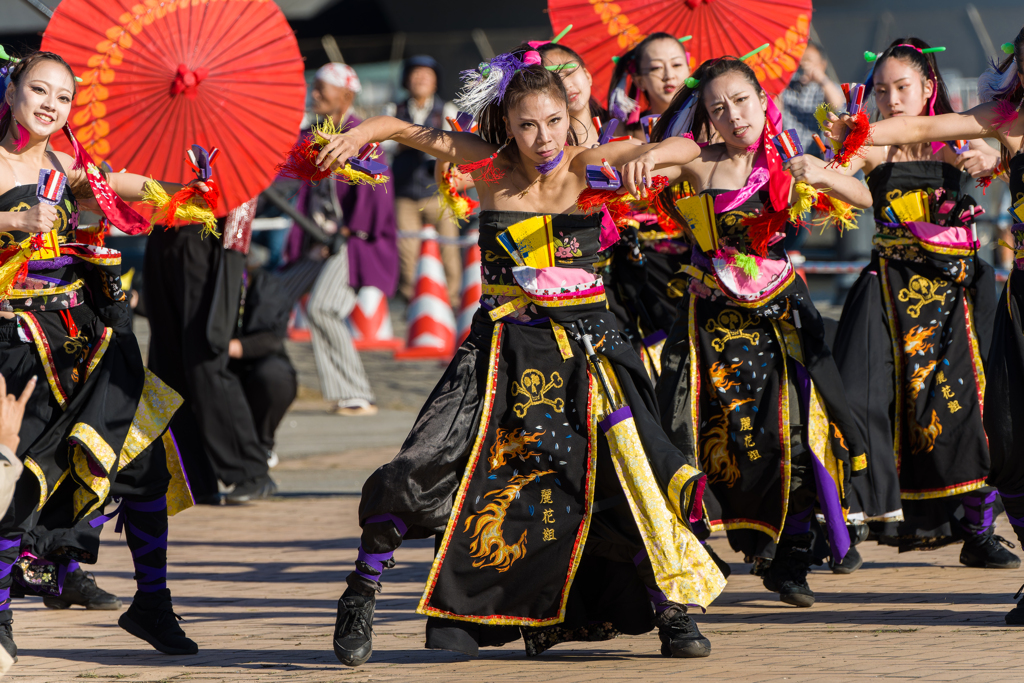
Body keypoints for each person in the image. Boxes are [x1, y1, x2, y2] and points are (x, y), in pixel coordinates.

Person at [314, 46, 725, 664]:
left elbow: (693, 148)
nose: (542, 138)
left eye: (554, 122)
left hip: (588, 351)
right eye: (528, 124)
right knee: (424, 462)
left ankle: (671, 611)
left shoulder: (592, 168)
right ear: (507, 123)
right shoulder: (489, 168)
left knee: (626, 475)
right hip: (500, 350)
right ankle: (361, 591)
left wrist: (650, 157)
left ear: (570, 116)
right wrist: (360, 134)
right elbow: (404, 130)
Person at [651, 55, 872, 608]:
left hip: (780, 321)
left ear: (763, 99)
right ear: (705, 117)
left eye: (741, 101)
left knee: (790, 437)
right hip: (711, 329)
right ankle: (704, 554)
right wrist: (643, 157)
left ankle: (791, 560)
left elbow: (866, 199)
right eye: (717, 108)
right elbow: (655, 153)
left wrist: (821, 173)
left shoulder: (791, 158)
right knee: (707, 440)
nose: (733, 115)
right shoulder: (698, 162)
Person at [0, 50, 200, 659]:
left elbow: (119, 184)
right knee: (21, 475)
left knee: (142, 464)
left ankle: (153, 603)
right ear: (11, 91)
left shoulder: (67, 160)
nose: (50, 105)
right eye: (39, 90)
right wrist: (10, 220)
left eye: (62, 97)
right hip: (17, 338)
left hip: (88, 333)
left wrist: (188, 196)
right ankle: (1, 615)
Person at [825, 26, 1024, 622]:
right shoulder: (993, 117)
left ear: (928, 83)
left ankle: (976, 526)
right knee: (1005, 437)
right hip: (900, 291)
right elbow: (901, 141)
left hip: (959, 291)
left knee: (976, 417)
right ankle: (860, 516)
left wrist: (992, 153)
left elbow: (977, 148)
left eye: (901, 85)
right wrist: (844, 144)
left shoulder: (989, 131)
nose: (891, 96)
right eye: (880, 88)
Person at [280, 62, 398, 416]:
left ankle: (356, 393)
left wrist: (353, 231)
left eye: (321, 88)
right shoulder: (312, 135)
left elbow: (377, 192)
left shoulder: (360, 135)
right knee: (275, 297)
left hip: (354, 241)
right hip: (318, 240)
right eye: (313, 87)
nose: (313, 95)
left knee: (324, 307)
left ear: (346, 95)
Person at [386, 55, 461, 305]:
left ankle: (451, 301)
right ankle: (412, 302)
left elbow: (457, 145)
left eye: (426, 75)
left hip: (439, 192)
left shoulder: (447, 110)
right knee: (407, 252)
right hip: (405, 192)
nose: (420, 79)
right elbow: (384, 147)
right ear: (406, 80)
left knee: (448, 247)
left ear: (435, 82)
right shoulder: (393, 111)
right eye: (415, 74)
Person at [227, 263, 298, 461]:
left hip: (256, 364)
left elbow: (271, 339)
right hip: (214, 364)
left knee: (274, 376)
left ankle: (261, 445)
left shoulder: (264, 285)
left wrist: (228, 347)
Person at [608, 33, 691, 137]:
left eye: (676, 64)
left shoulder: (712, 122)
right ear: (639, 81)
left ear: (689, 71)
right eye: (656, 67)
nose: (669, 76)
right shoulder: (619, 132)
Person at [780, 42, 846, 159]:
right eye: (800, 60)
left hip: (816, 154)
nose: (803, 64)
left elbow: (838, 105)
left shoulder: (825, 88)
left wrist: (820, 77)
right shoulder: (786, 86)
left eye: (808, 60)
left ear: (822, 65)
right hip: (787, 152)